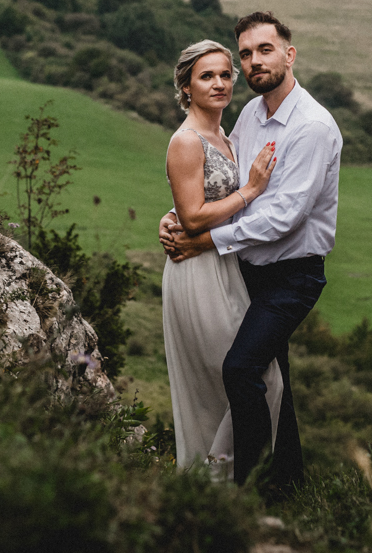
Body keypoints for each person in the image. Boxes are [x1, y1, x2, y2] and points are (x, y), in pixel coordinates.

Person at [161, 12, 341, 494]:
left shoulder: (311, 127)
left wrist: (202, 239)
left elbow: (285, 216)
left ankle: (249, 490)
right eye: (246, 53)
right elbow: (220, 186)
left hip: (290, 278)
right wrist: (177, 216)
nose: (254, 61)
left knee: (241, 370)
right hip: (241, 272)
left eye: (265, 49)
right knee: (273, 381)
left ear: (289, 53)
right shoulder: (250, 116)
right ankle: (288, 490)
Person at [160, 39, 283, 476]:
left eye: (225, 74)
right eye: (206, 76)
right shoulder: (187, 141)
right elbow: (193, 217)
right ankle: (209, 483)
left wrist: (171, 214)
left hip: (228, 266)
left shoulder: (226, 138)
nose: (219, 83)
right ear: (186, 87)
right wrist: (249, 190)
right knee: (245, 379)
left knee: (252, 379)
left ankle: (221, 483)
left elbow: (190, 204)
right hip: (196, 270)